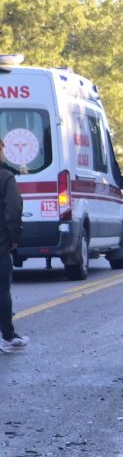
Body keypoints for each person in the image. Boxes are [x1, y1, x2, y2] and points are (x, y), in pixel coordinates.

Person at [0, 138, 26, 353]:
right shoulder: (5, 177)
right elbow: (13, 210)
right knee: (2, 291)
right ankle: (7, 336)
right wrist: (14, 238)